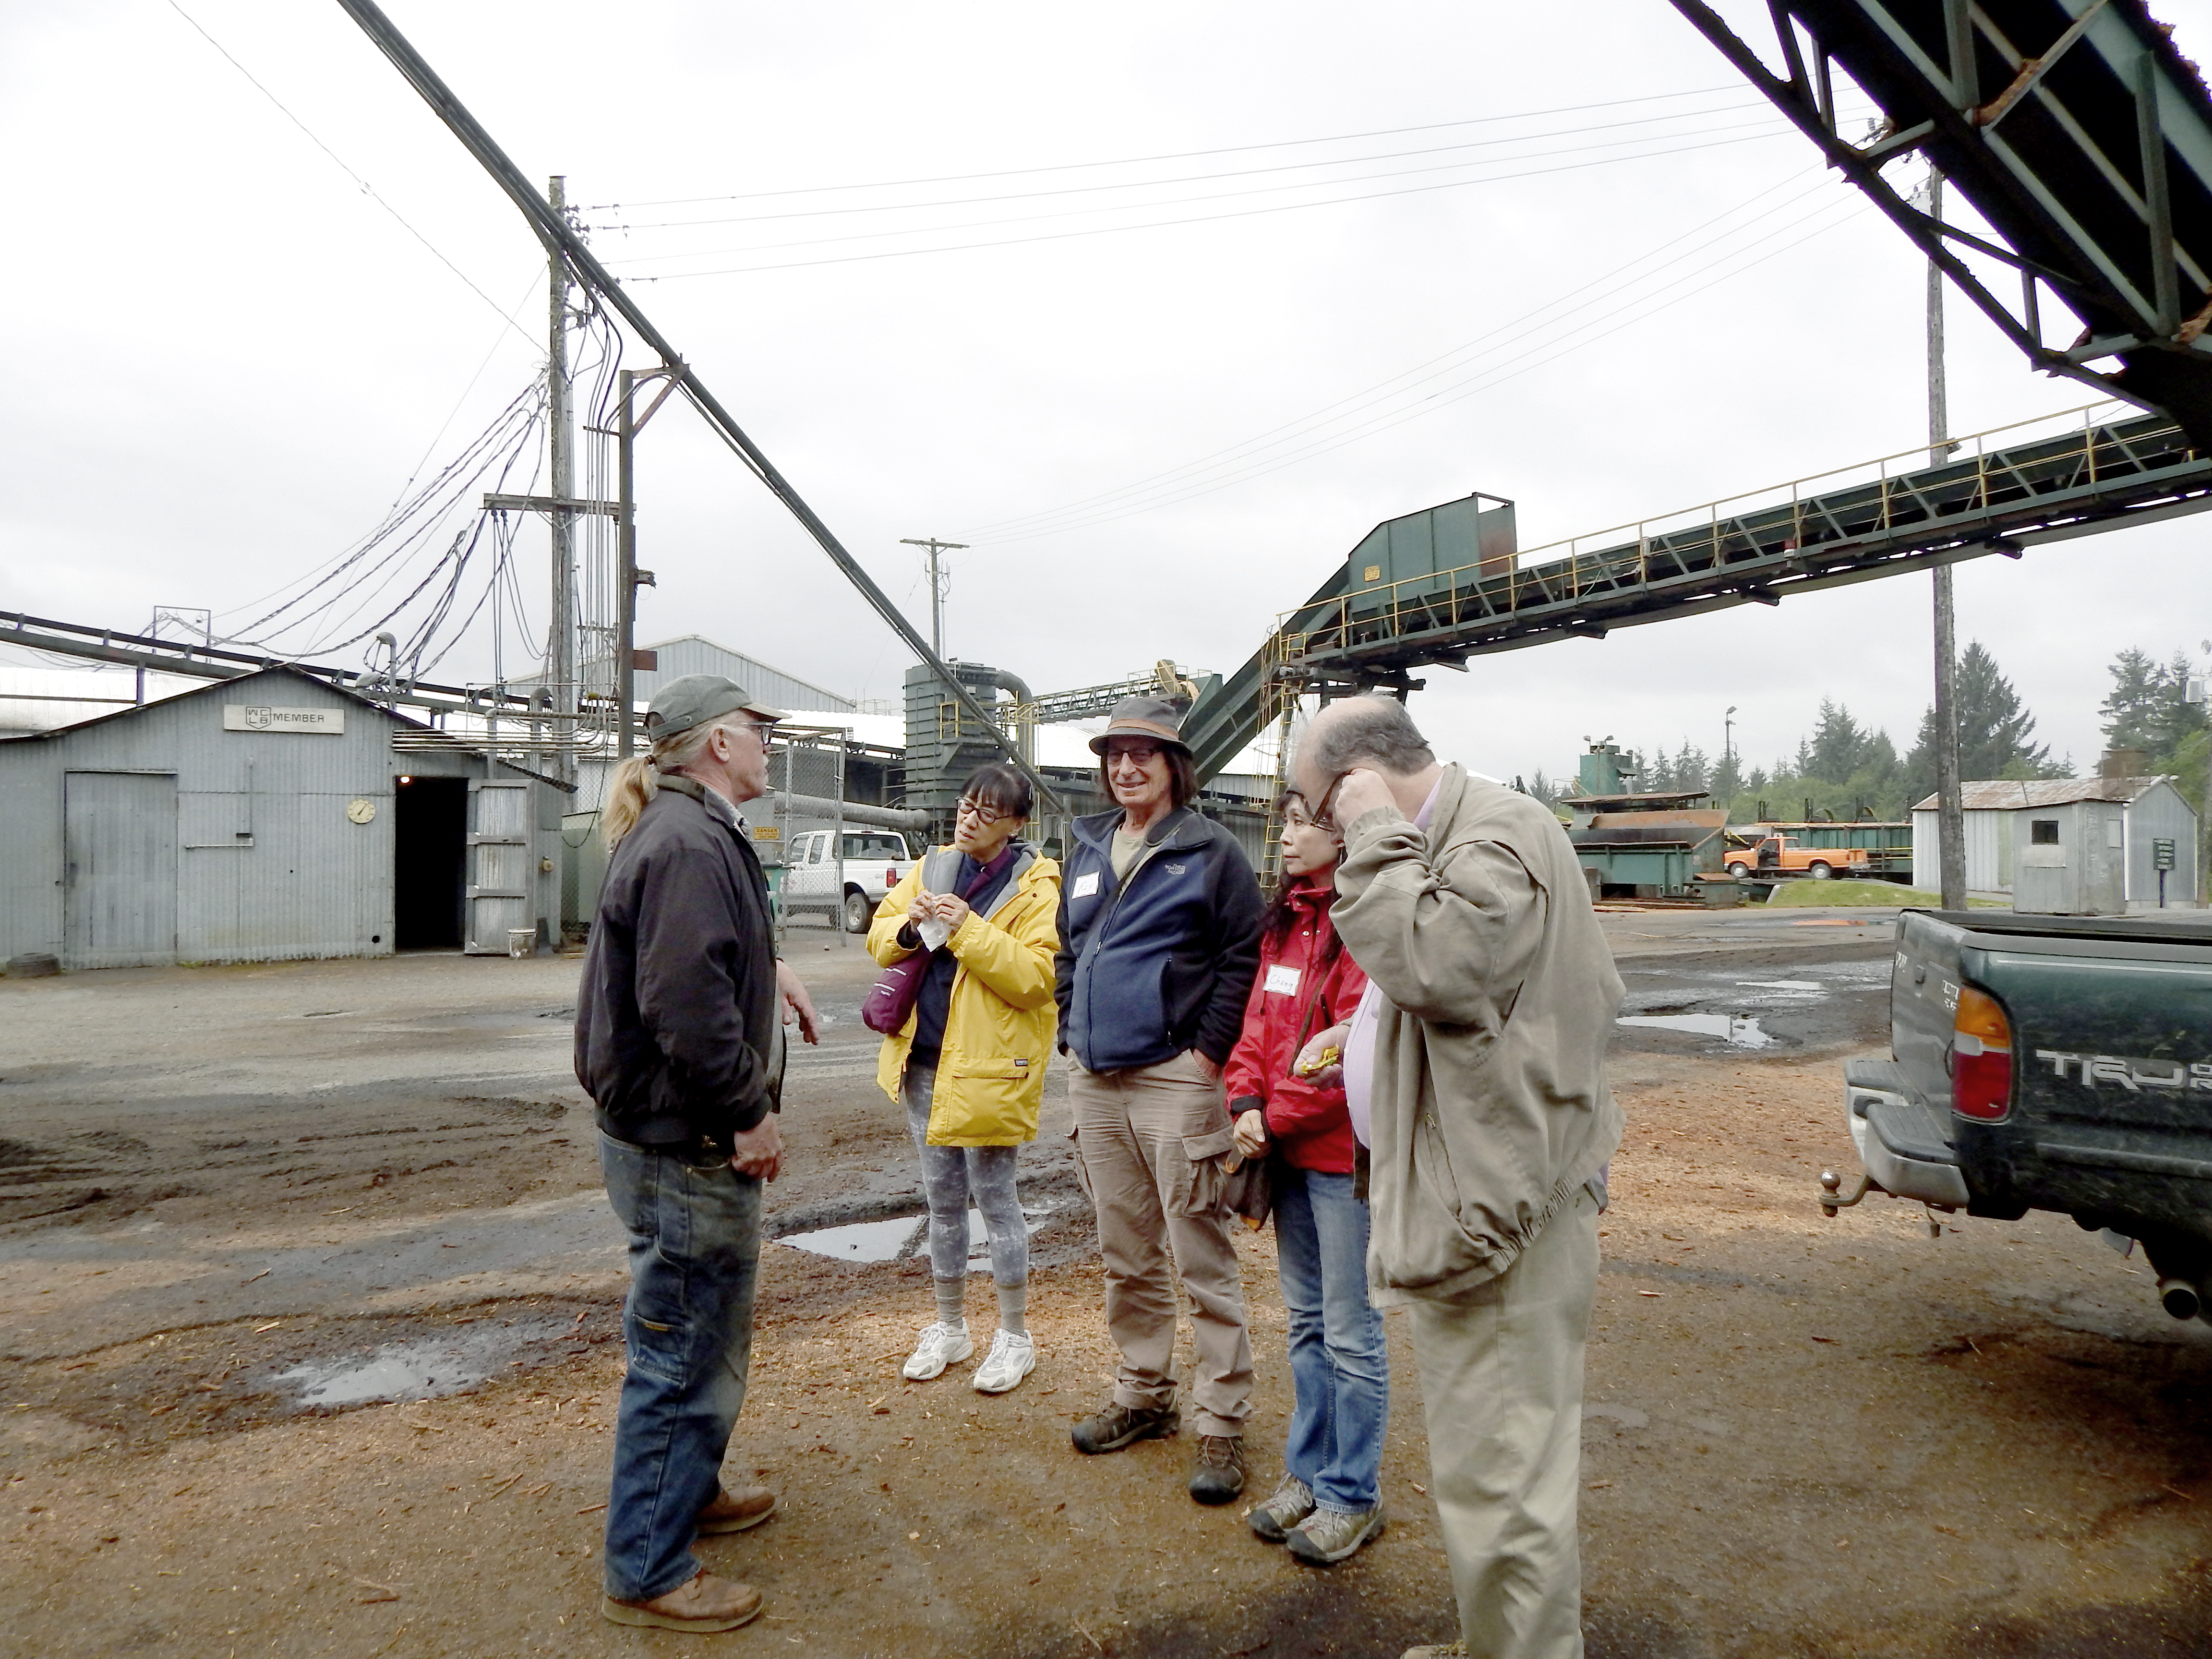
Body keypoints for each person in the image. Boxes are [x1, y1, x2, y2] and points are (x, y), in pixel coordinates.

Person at [1291, 695, 1623, 1659]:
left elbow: (1439, 963)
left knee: (1507, 1481)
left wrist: (1367, 831)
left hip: (1506, 1218)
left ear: (1360, 780)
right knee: (1487, 1471)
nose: (1317, 832)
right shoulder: (1462, 836)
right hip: (1484, 1198)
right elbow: (1464, 1006)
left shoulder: (1497, 833)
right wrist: (1367, 1036)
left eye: (1317, 809)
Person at [575, 673, 822, 1636]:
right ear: (718, 741)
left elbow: (708, 959)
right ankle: (646, 1565)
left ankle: (691, 1488)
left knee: (701, 1335)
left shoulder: (689, 831)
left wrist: (775, 971)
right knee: (681, 1348)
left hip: (670, 1136)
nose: (768, 744)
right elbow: (682, 1004)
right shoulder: (686, 841)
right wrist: (746, 1114)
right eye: (759, 731)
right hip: (690, 1143)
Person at [1056, 695, 1264, 1505]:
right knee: (1126, 1249)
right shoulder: (1085, 846)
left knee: (1199, 1253)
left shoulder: (1209, 851)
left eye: (1144, 753)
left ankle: (1222, 1421)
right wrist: (1074, 1027)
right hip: (1096, 1078)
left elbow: (1242, 956)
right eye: (1115, 754)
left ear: (1175, 765)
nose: (1126, 766)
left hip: (1175, 1078)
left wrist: (1207, 1052)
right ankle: (1143, 1395)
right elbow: (1072, 947)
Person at [1223, 790, 1387, 1567]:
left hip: (1336, 1161)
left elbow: (1349, 1054)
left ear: (1344, 833)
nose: (1285, 835)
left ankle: (1352, 1496)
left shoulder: (1365, 922)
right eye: (1285, 821)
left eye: (1302, 822)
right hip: (1285, 1149)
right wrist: (1245, 1100)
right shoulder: (1288, 918)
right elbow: (1259, 1022)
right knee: (1308, 1324)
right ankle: (1309, 1474)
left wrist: (1271, 1119)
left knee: (1352, 1333)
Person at [867, 761, 1061, 1395]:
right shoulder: (934, 866)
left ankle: (1014, 1337)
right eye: (964, 806)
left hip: (990, 1068)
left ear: (1016, 824)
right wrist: (907, 924)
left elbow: (1036, 979)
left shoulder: (1037, 886)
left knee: (998, 1203)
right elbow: (880, 939)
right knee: (941, 1203)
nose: (968, 818)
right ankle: (949, 1326)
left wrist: (966, 928)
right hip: (923, 1059)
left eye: (985, 812)